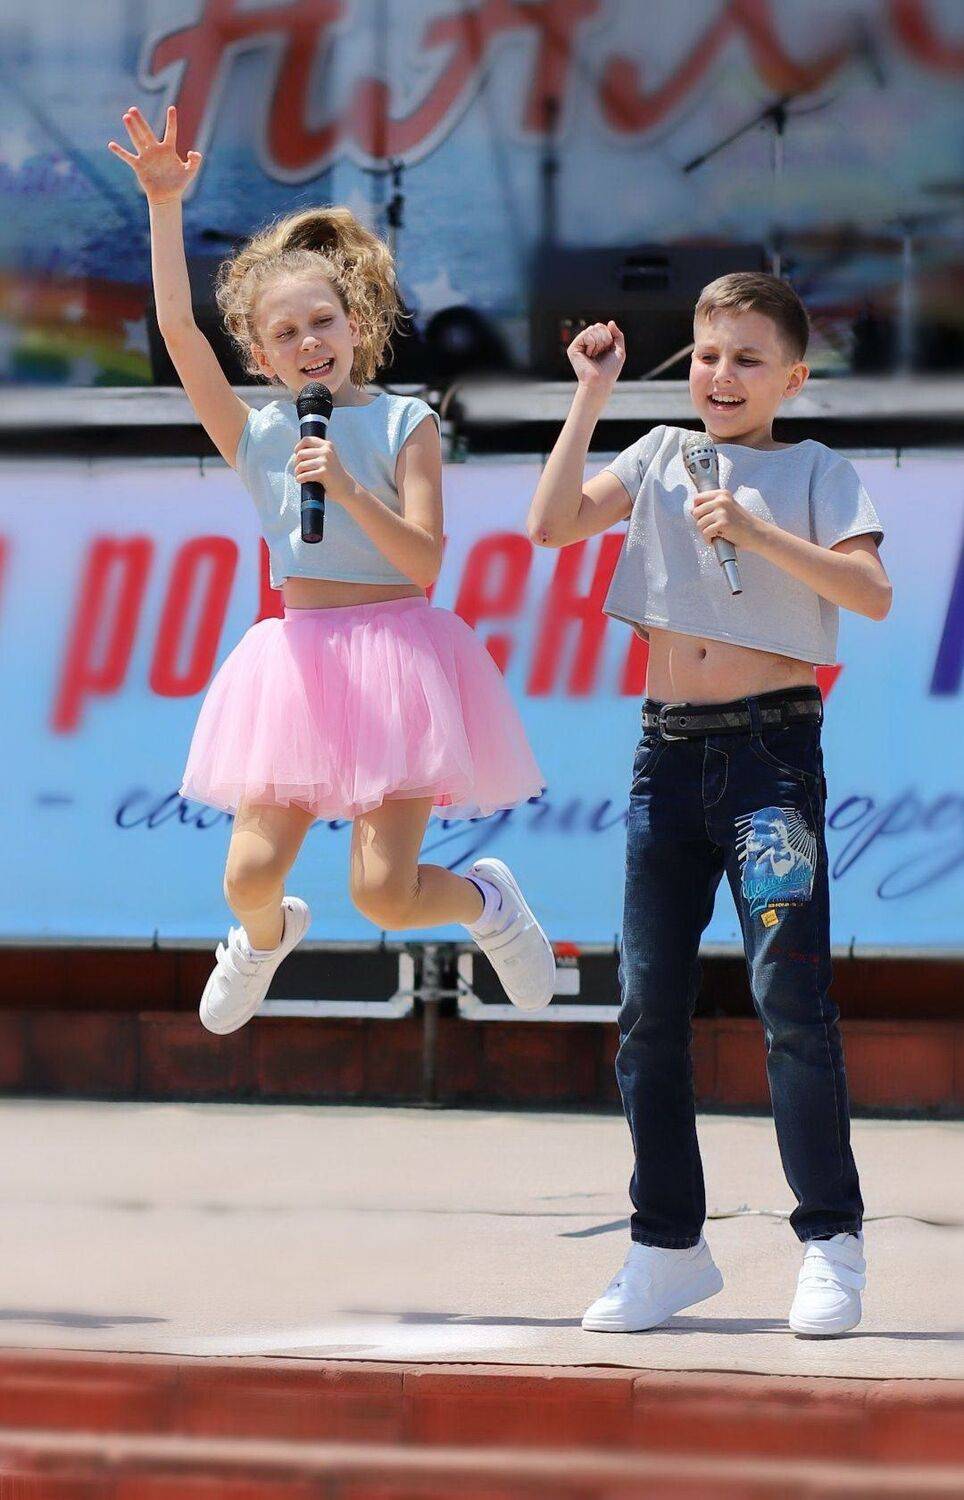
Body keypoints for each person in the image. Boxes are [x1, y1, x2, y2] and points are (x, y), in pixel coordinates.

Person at [108, 105, 555, 1032]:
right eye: (285, 333)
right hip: (299, 663)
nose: (309, 342)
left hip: (399, 658)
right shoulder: (257, 432)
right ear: (260, 354)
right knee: (249, 875)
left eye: (323, 322)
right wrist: (163, 206)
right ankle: (262, 939)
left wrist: (348, 488)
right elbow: (179, 331)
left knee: (386, 895)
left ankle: (486, 901)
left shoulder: (405, 421)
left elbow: (424, 561)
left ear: (357, 324)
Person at [527, 272, 891, 1338]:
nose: (721, 376)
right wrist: (590, 394)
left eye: (746, 359)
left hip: (771, 757)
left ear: (793, 377)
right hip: (666, 758)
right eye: (707, 355)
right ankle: (666, 1245)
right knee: (647, 1009)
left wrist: (757, 529)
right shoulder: (657, 453)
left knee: (790, 998)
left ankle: (831, 1240)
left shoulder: (817, 470)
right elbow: (550, 525)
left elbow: (869, 594)